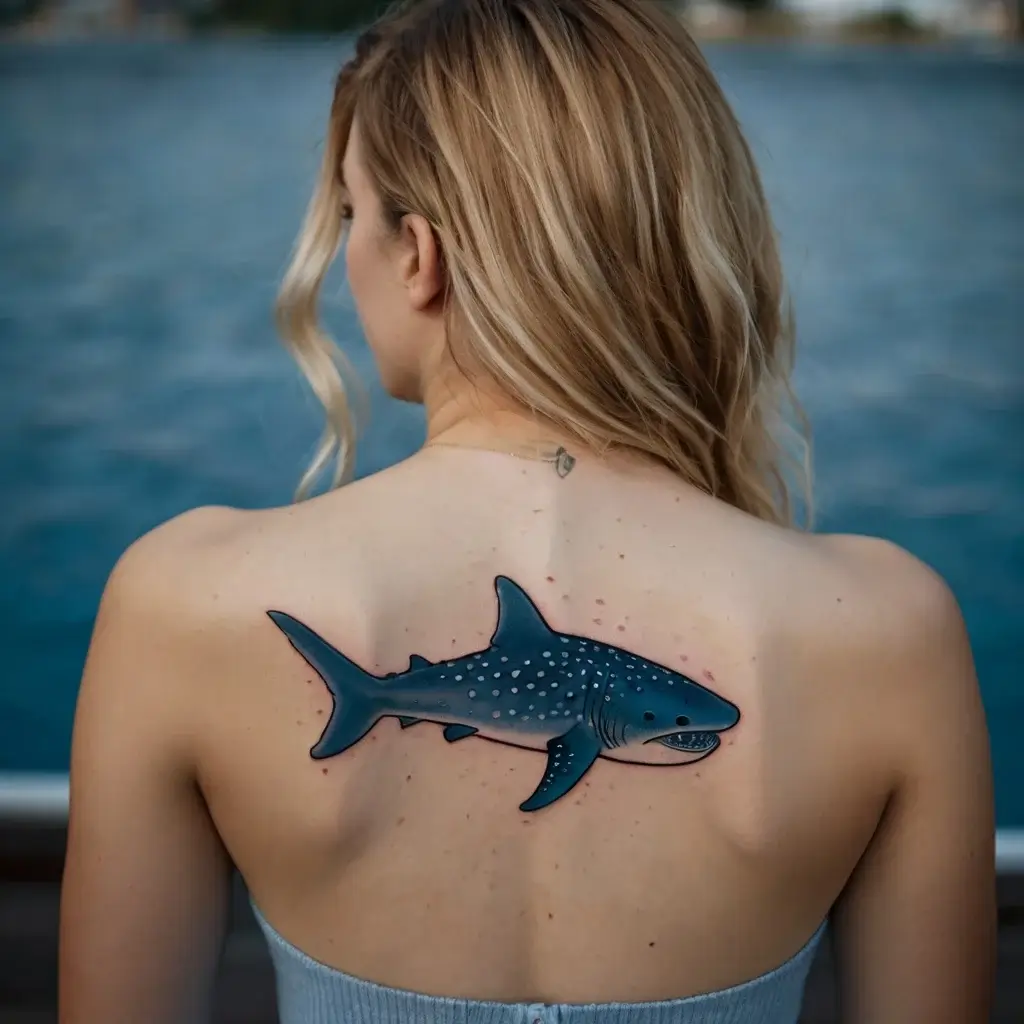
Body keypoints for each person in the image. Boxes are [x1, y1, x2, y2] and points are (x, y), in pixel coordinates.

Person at [58, 0, 996, 1021]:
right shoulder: (892, 630)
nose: (343, 259)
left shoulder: (182, 596)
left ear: (418, 252)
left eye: (347, 218)